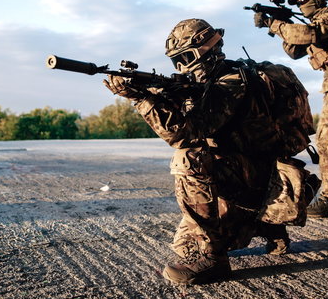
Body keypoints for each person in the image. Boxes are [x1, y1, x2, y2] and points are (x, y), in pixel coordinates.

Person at [103, 18, 314, 285]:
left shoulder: (230, 83)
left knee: (188, 159)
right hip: (268, 175)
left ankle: (214, 259)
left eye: (186, 58)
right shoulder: (235, 76)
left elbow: (184, 134)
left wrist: (142, 100)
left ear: (210, 49)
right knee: (185, 243)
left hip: (256, 180)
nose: (181, 67)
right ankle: (269, 225)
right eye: (175, 61)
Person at [253, 0, 328, 218]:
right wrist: (278, 24)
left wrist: (273, 24)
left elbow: (309, 35)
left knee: (326, 141)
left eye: (303, 0)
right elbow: (294, 51)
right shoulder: (312, 23)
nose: (301, 5)